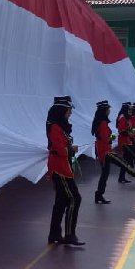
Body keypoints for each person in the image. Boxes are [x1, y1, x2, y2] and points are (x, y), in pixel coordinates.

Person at [92, 101, 135, 204]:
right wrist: (112, 137)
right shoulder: (103, 123)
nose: (109, 111)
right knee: (124, 164)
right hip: (106, 152)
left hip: (103, 151)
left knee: (105, 174)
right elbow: (107, 139)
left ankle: (99, 195)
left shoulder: (100, 122)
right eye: (108, 109)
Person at [46, 96, 85, 246]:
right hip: (60, 168)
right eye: (69, 110)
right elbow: (60, 150)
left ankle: (54, 234)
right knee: (75, 199)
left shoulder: (60, 127)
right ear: (62, 110)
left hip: (63, 166)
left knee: (61, 202)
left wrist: (69, 149)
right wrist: (71, 149)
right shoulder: (55, 127)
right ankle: (69, 234)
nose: (70, 113)